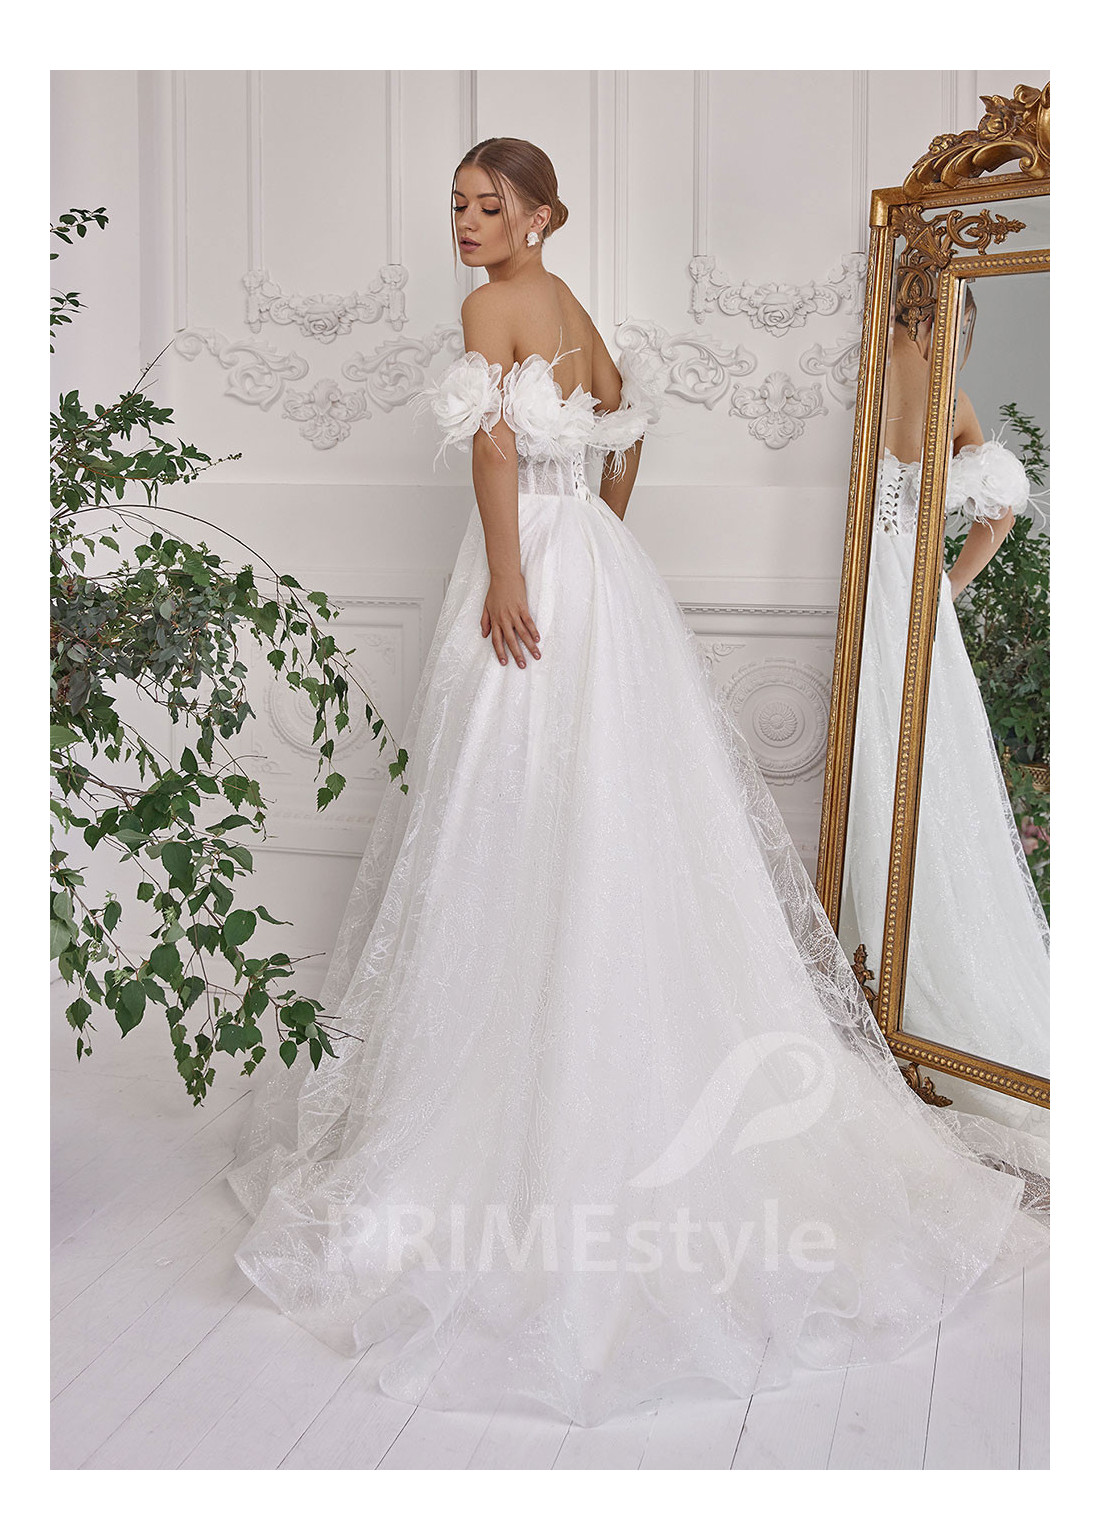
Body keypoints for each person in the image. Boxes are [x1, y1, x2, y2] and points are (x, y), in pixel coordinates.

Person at [226, 139, 1049, 1429]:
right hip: (597, 572)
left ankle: (533, 1061)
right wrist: (595, 525)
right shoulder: (563, 303)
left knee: (515, 797)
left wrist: (511, 573)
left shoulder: (492, 307)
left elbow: (494, 457)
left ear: (539, 216)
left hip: (529, 566)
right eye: (456, 205)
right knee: (599, 808)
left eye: (487, 206)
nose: (464, 223)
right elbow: (628, 418)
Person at [839, 296, 1050, 1148]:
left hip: (859, 580)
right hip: (909, 591)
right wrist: (945, 589)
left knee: (876, 764)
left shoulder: (864, 362)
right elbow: (1001, 509)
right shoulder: (945, 391)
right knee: (922, 772)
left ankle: (871, 986)